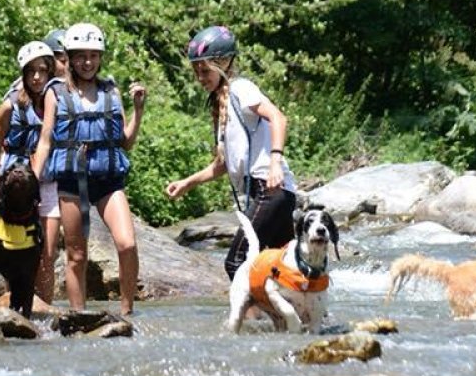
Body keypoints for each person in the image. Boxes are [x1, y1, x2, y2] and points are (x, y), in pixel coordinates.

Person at [165, 26, 298, 280]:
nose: (200, 77)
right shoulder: (221, 103)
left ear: (224, 63)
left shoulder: (240, 88)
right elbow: (223, 164)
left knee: (237, 263)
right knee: (283, 270)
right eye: (196, 71)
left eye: (204, 70)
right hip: (274, 194)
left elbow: (278, 117)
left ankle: (251, 321)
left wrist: (275, 162)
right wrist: (187, 183)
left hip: (270, 190)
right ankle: (304, 319)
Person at [32, 23, 146, 314]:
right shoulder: (55, 92)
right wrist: (34, 178)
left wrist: (138, 110)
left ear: (100, 58)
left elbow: (126, 141)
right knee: (77, 255)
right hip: (72, 180)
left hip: (108, 178)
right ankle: (78, 317)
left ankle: (127, 312)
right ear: (69, 58)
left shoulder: (111, 90)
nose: (87, 62)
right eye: (80, 56)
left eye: (93, 56)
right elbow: (45, 141)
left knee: (127, 245)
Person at [0, 41, 61, 303]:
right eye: (32, 71)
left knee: (47, 253)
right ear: (24, 74)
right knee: (15, 250)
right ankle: (16, 308)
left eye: (43, 70)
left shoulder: (59, 101)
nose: (38, 77)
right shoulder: (10, 105)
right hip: (16, 187)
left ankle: (44, 311)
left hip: (48, 183)